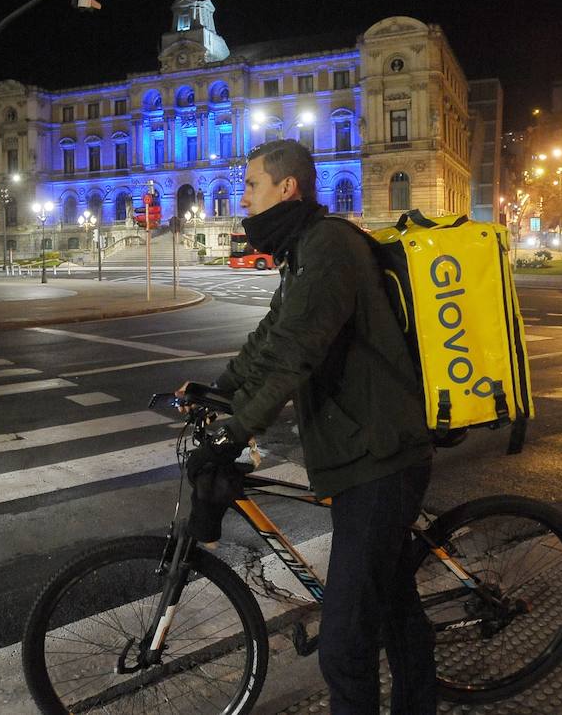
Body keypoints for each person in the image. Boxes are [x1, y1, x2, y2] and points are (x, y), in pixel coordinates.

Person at [183, 139, 436, 714]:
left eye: (250, 184)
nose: (241, 196)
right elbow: (271, 337)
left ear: (286, 187)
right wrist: (220, 390)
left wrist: (236, 432)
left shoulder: (329, 248)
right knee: (394, 605)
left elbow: (297, 351)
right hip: (358, 451)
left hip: (380, 457)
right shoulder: (304, 250)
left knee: (345, 646)